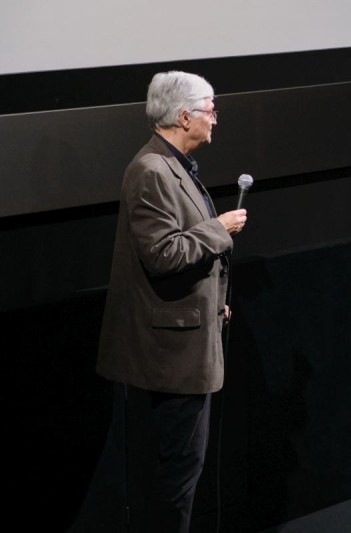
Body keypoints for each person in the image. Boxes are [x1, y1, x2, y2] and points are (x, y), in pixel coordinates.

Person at [70, 71, 247, 532]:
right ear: (184, 117)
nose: (215, 118)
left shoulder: (175, 167)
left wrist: (215, 304)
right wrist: (220, 228)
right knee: (175, 480)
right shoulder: (151, 170)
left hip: (187, 341)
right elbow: (164, 254)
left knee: (181, 475)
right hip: (171, 357)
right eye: (210, 109)